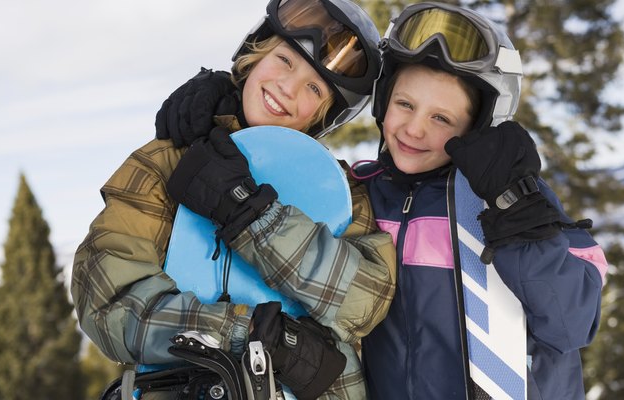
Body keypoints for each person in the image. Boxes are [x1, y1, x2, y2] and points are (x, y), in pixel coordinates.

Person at [70, 0, 396, 399]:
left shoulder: (339, 191)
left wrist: (252, 214)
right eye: (285, 60)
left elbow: (366, 301)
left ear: (323, 115)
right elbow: (106, 301)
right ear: (254, 56)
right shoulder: (172, 160)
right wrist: (249, 335)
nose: (287, 87)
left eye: (314, 87)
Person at [346, 3, 608, 400]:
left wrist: (516, 213)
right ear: (383, 101)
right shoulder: (364, 196)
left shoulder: (518, 201)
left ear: (475, 131)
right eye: (405, 104)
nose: (414, 128)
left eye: (441, 119)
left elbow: (570, 324)